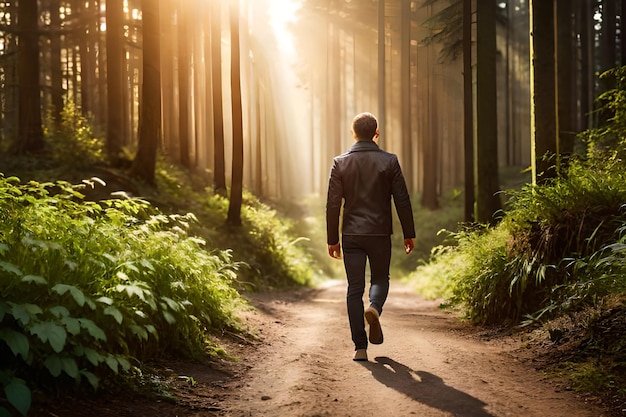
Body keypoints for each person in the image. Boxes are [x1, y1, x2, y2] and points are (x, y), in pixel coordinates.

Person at [326, 112, 416, 362]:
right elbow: (402, 199)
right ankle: (374, 307)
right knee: (380, 278)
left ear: (353, 133)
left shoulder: (340, 162)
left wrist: (332, 238)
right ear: (377, 133)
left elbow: (333, 204)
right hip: (379, 232)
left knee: (354, 288)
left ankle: (360, 347)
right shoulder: (390, 161)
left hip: (351, 234)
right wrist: (409, 233)